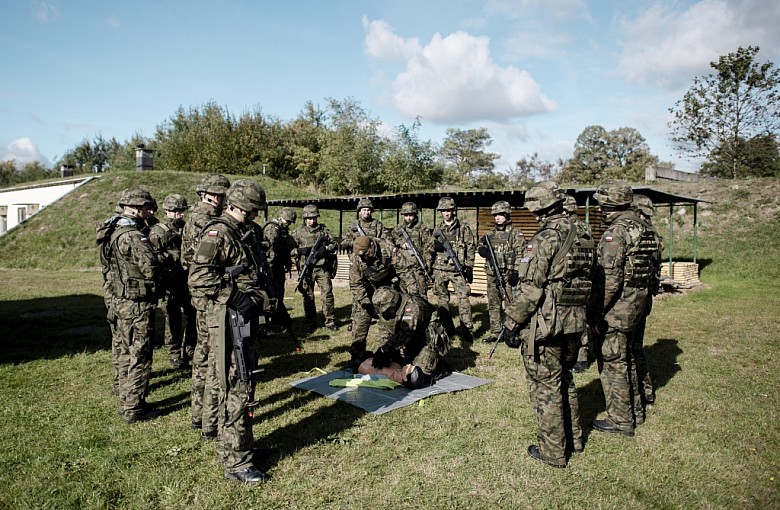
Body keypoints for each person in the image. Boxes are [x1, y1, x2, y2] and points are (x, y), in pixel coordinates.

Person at [498, 183, 594, 468]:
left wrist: (511, 324)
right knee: (566, 379)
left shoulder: (544, 239)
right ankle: (574, 439)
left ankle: (553, 451)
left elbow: (531, 290)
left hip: (548, 323)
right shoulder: (585, 233)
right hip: (576, 321)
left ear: (537, 207)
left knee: (546, 386)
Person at [188, 179, 273, 484]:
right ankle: (237, 461)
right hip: (228, 320)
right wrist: (234, 296)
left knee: (242, 383)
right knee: (237, 385)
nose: (255, 216)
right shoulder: (219, 232)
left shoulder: (238, 233)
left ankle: (239, 445)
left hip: (241, 318)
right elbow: (198, 277)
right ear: (241, 206)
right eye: (253, 210)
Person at [590, 181, 661, 437]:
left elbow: (610, 280)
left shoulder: (616, 232)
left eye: (601, 204)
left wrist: (596, 313)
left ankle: (621, 420)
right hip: (639, 303)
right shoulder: (645, 228)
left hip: (618, 309)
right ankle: (637, 411)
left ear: (610, 204)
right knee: (629, 356)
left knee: (613, 363)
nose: (598, 209)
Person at [100, 187, 163, 423]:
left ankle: (125, 396)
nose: (150, 211)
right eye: (147, 207)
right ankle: (134, 407)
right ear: (136, 208)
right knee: (140, 354)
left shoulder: (112, 230)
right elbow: (150, 267)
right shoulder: (133, 236)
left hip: (118, 300)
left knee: (125, 351)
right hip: (136, 304)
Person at [182, 173, 230, 433]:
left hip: (199, 293)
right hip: (211, 295)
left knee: (202, 355)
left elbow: (184, 259)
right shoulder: (209, 222)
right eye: (223, 195)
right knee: (212, 358)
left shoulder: (192, 219)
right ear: (212, 195)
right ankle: (208, 418)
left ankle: (198, 413)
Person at [354, 287, 451, 389]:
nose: (385, 314)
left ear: (394, 303)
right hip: (407, 343)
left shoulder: (413, 307)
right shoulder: (388, 310)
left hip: (426, 342)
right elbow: (385, 332)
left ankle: (440, 366)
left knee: (416, 377)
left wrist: (385, 350)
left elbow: (406, 334)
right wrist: (384, 353)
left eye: (387, 311)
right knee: (389, 367)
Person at [347, 235, 416, 358]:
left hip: (389, 290)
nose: (365, 257)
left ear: (372, 245)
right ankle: (357, 355)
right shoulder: (357, 258)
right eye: (362, 256)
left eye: (367, 253)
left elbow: (405, 272)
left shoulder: (387, 248)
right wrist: (366, 302)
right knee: (360, 323)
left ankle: (390, 353)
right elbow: (355, 283)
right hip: (367, 291)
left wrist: (412, 294)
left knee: (389, 323)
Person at [149, 193, 196, 369]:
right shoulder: (158, 231)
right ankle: (174, 353)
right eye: (176, 211)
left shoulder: (186, 228)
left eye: (182, 211)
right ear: (167, 210)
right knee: (173, 318)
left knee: (193, 312)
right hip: (169, 281)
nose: (180, 214)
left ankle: (190, 348)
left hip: (186, 279)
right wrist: (173, 257)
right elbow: (153, 257)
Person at [631, 194, 664, 420]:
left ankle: (635, 401)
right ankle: (647, 394)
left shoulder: (634, 234)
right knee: (637, 348)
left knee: (627, 353)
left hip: (631, 299)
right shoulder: (655, 237)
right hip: (646, 298)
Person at [478, 200, 525, 344]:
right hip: (492, 274)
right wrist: (482, 250)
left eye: (500, 214)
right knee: (493, 304)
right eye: (495, 215)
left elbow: (521, 254)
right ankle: (495, 332)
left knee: (511, 305)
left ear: (506, 214)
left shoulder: (515, 234)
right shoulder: (489, 235)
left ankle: (512, 332)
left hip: (508, 274)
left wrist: (516, 271)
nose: (497, 217)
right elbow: (480, 246)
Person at [431, 197, 476, 342]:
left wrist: (469, 266)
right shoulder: (437, 229)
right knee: (442, 301)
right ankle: (447, 329)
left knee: (463, 300)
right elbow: (429, 248)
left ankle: (467, 330)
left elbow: (470, 247)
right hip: (440, 270)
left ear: (453, 211)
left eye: (449, 210)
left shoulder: (463, 228)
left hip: (458, 270)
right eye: (444, 211)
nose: (446, 213)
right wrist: (434, 246)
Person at [562, 194, 595, 374]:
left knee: (577, 321)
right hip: (582, 278)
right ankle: (575, 356)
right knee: (577, 319)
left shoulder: (573, 228)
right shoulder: (584, 227)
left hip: (573, 278)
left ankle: (580, 357)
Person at [292, 204, 339, 331]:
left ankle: (330, 321)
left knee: (327, 294)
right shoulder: (298, 232)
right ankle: (310, 321)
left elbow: (334, 244)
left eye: (314, 218)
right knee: (308, 296)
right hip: (306, 269)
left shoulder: (323, 230)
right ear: (305, 218)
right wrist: (301, 251)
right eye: (309, 218)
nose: (312, 221)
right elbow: (290, 249)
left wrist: (325, 249)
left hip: (322, 268)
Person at [390, 202, 434, 297]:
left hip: (418, 266)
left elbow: (429, 246)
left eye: (411, 215)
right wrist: (401, 243)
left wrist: (427, 264)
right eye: (406, 215)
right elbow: (391, 240)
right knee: (403, 293)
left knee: (421, 293)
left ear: (415, 214)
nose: (408, 218)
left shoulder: (422, 228)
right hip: (403, 268)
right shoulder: (399, 228)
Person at [262, 207, 297, 303]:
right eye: (288, 221)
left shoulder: (283, 229)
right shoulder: (272, 228)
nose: (288, 224)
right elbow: (272, 246)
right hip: (271, 265)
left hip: (278, 264)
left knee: (279, 290)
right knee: (272, 291)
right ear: (282, 217)